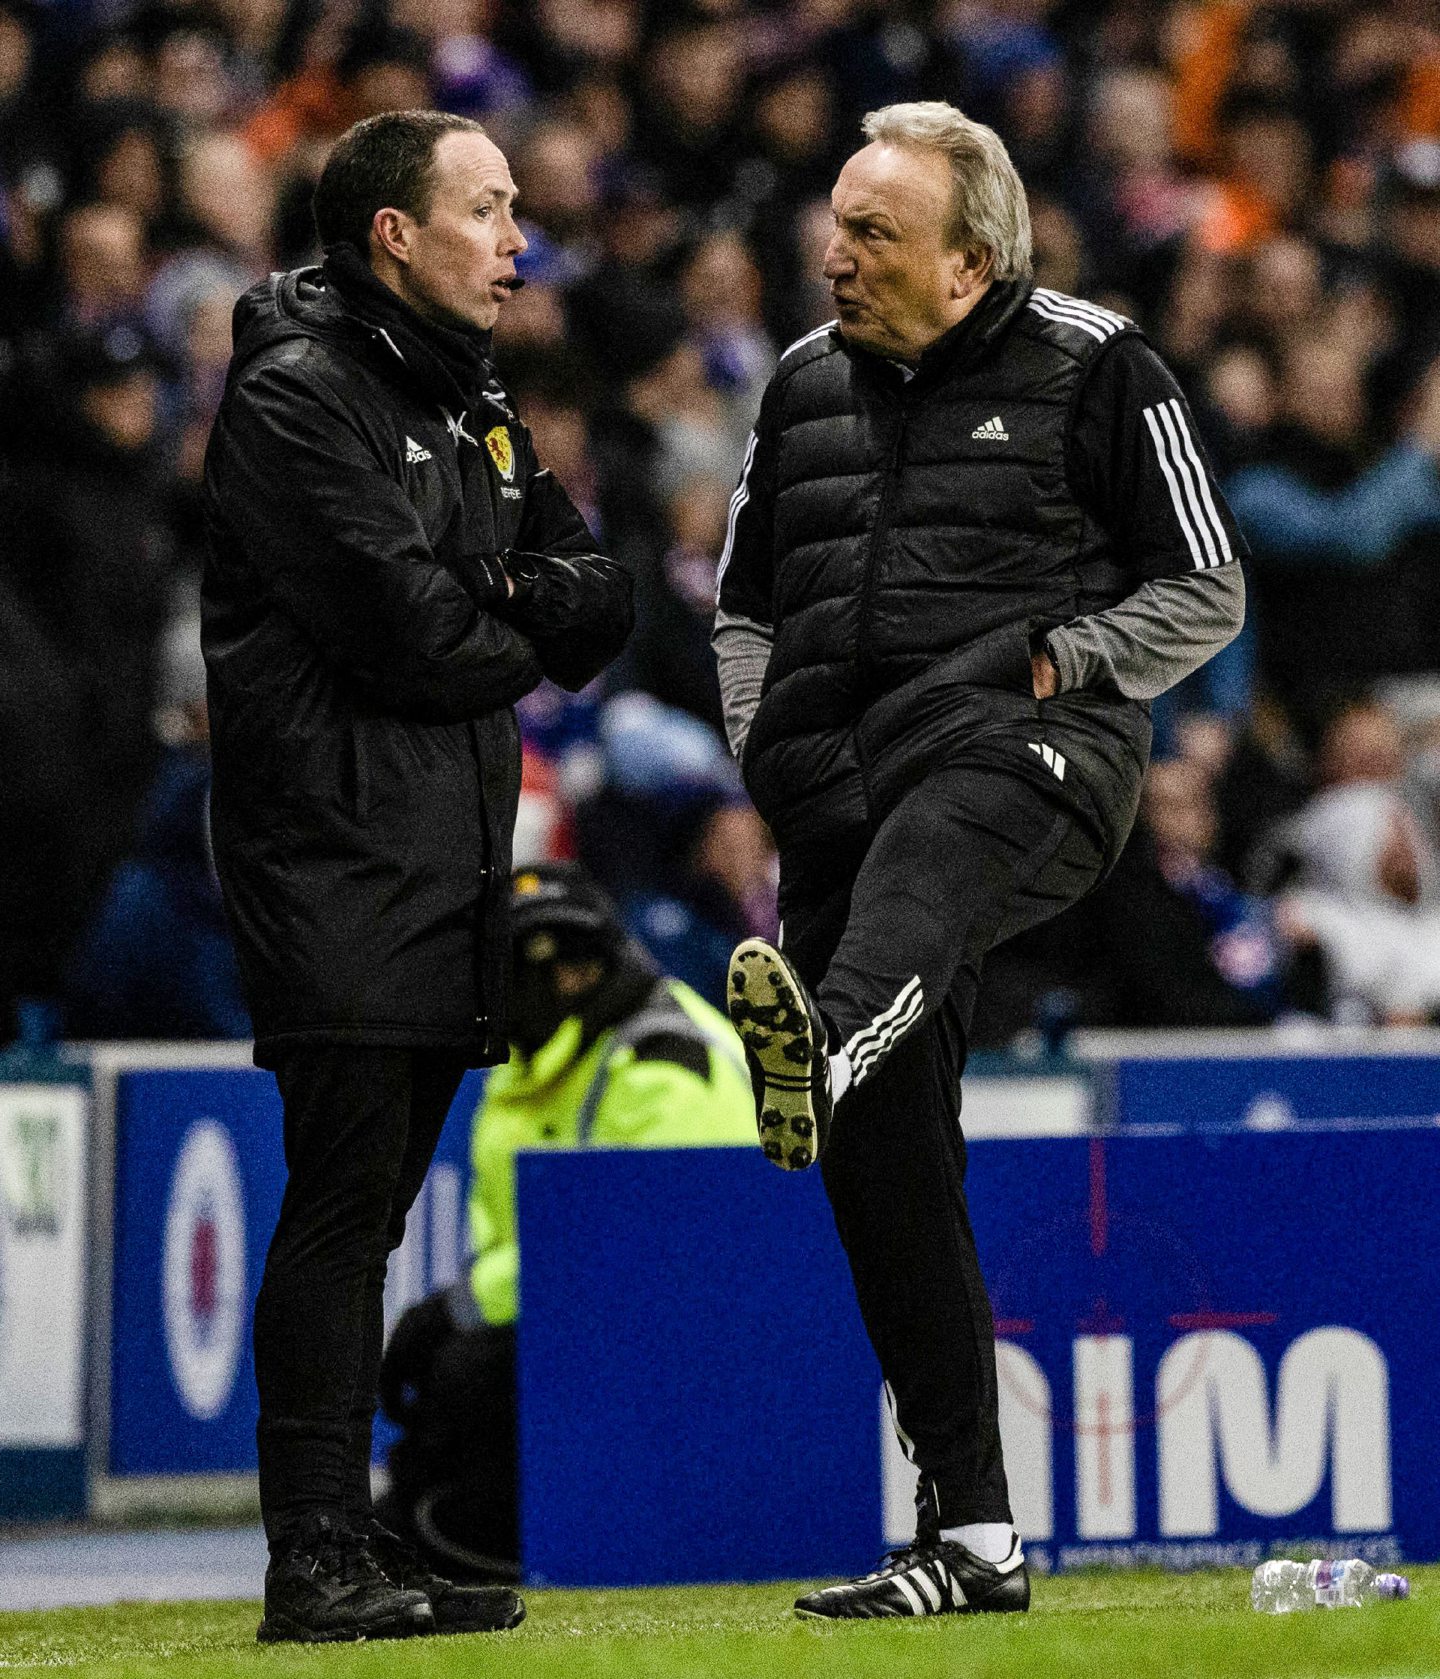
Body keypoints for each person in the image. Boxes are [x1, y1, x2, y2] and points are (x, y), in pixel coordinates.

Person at [713, 101, 1246, 1621]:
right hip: (835, 798)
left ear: (971, 262)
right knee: (888, 1168)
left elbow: (1205, 583)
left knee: (942, 840)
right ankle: (973, 1535)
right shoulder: (800, 386)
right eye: (836, 220)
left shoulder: (1099, 364)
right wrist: (767, 746)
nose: (835, 253)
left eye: (874, 231)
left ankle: (815, 1038)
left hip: (1039, 754)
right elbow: (744, 603)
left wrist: (1060, 657)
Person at [202, 110, 632, 1642]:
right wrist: (503, 606)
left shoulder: (472, 396)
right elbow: (416, 635)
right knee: (341, 1204)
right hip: (333, 849)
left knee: (373, 1210)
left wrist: (497, 595)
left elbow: (601, 594)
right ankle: (313, 1554)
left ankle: (354, 1542)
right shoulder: (297, 392)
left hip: (443, 853)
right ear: (395, 232)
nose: (520, 239)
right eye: (489, 209)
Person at [376, 862, 754, 1577]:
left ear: (572, 971)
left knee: (474, 1365)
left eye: (506, 971)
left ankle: (485, 1539)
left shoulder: (664, 1066)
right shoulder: (533, 1065)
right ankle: (422, 1519)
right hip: (598, 1324)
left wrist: (462, 1306)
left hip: (699, 1349)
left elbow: (646, 1253)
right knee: (453, 1367)